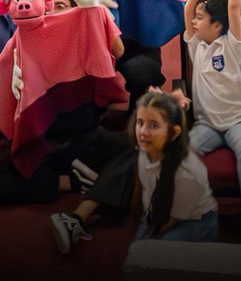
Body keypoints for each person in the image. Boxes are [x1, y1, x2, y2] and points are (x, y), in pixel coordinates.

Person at [49, 90, 218, 252]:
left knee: (148, 253)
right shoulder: (145, 152)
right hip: (157, 208)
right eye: (140, 123)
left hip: (191, 221)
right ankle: (86, 204)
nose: (143, 132)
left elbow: (172, 220)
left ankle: (84, 208)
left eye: (153, 125)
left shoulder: (188, 171)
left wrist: (147, 238)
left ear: (173, 133)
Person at [182, 0, 241, 225]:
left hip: (238, 120)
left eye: (201, 18)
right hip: (207, 124)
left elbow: (233, 8)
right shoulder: (197, 46)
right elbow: (187, 9)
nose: (194, 22)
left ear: (217, 26)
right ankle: (193, 207)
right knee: (184, 150)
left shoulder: (233, 44)